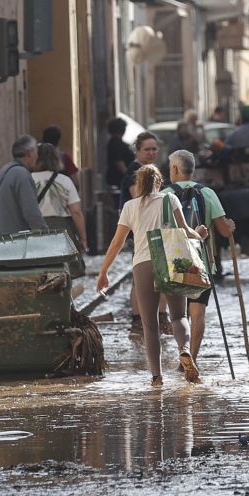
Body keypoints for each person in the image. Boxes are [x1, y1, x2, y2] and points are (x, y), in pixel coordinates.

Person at [95, 164, 189, 386]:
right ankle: (185, 350)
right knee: (178, 316)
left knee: (149, 324)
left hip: (143, 263)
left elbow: (117, 243)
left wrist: (103, 271)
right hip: (170, 261)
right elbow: (185, 230)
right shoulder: (170, 200)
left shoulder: (129, 206)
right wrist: (200, 234)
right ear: (159, 182)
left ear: (138, 183)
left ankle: (156, 377)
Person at [165, 148, 235, 383]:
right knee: (198, 312)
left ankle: (181, 352)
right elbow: (224, 231)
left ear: (175, 168)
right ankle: (192, 357)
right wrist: (230, 227)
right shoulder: (208, 193)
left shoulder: (164, 194)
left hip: (173, 264)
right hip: (202, 263)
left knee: (177, 314)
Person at [0, 135, 48, 235]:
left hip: (0, 237)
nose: (37, 157)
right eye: (36, 153)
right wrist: (46, 234)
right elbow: (31, 212)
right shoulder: (22, 175)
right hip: (15, 241)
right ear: (30, 153)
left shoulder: (5, 170)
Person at [32, 142, 86, 251]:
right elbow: (76, 212)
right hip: (62, 230)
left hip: (36, 230)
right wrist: (83, 238)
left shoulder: (29, 179)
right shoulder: (65, 181)